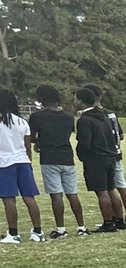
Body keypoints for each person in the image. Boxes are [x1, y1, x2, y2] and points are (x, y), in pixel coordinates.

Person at [29, 85, 87, 238]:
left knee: (56, 195)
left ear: (41, 99)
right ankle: (81, 227)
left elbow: (32, 137)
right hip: (67, 157)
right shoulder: (68, 117)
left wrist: (39, 143)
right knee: (72, 193)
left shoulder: (37, 117)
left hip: (49, 158)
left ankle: (61, 229)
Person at [82, 83, 126, 225]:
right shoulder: (111, 113)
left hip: (103, 155)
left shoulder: (96, 114)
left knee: (107, 189)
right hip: (116, 152)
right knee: (119, 186)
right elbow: (120, 135)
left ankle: (111, 219)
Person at [74, 87, 124, 232]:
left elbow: (85, 143)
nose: (74, 101)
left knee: (102, 192)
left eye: (75, 99)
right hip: (110, 156)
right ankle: (119, 220)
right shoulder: (104, 116)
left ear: (81, 101)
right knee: (111, 189)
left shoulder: (85, 120)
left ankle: (108, 223)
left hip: (96, 159)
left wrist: (82, 155)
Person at [0, 89, 43, 244]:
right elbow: (27, 146)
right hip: (23, 162)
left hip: (4, 163)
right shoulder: (22, 121)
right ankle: (38, 232)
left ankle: (13, 234)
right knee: (29, 198)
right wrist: (29, 163)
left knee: (9, 199)